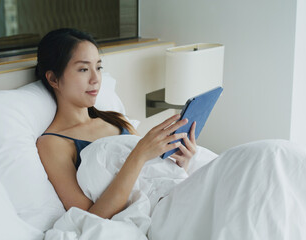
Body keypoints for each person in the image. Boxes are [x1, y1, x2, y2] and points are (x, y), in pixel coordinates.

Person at [35, 28, 197, 220]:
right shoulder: (52, 144)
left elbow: (152, 179)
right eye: (84, 69)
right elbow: (90, 217)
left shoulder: (116, 119)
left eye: (98, 67)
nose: (95, 79)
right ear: (53, 78)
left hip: (173, 203)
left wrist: (182, 163)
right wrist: (139, 155)